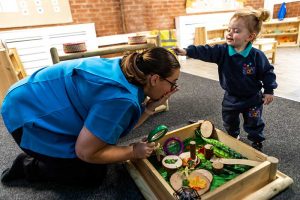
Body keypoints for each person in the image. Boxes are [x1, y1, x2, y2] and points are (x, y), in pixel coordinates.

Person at [1, 47, 181, 184]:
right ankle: (27, 166)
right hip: (24, 115)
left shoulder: (130, 67)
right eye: (172, 83)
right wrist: (132, 152)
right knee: (92, 174)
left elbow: (117, 124)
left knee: (105, 145)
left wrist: (149, 109)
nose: (172, 89)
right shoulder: (121, 98)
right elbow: (85, 152)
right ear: (155, 79)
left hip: (28, 94)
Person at [173, 7, 277, 151]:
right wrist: (187, 51)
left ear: (250, 37)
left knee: (254, 122)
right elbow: (206, 51)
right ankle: (233, 136)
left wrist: (269, 90)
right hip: (231, 97)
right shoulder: (222, 51)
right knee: (229, 120)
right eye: (229, 29)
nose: (230, 33)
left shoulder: (257, 56)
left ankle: (256, 140)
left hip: (252, 98)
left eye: (236, 31)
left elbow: (267, 72)